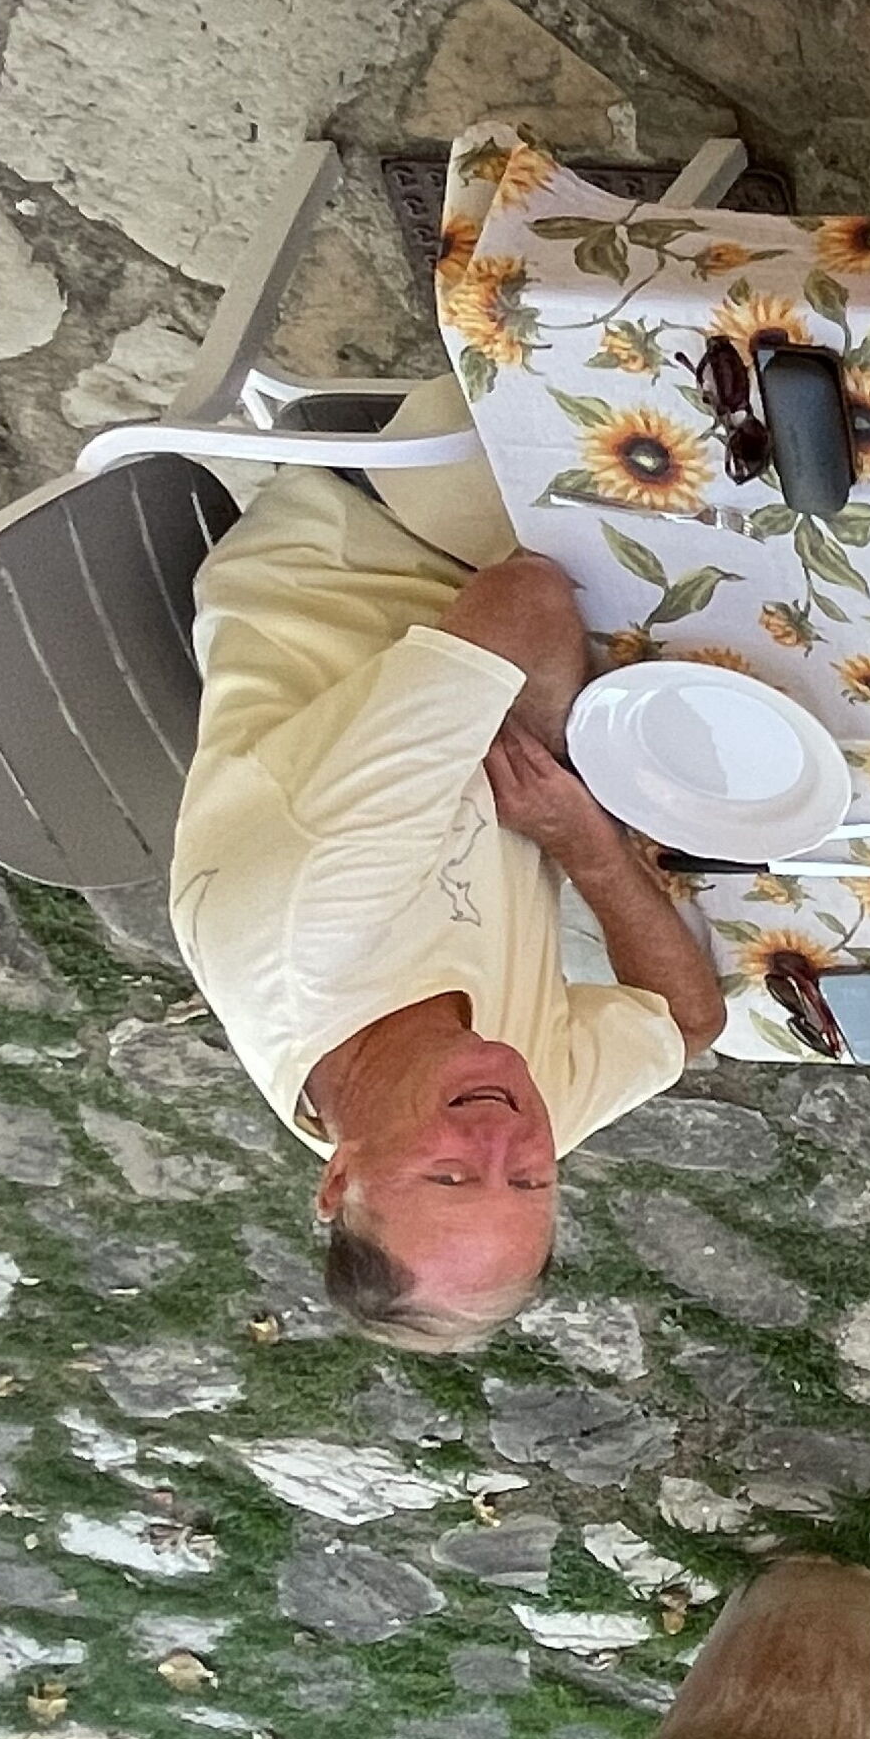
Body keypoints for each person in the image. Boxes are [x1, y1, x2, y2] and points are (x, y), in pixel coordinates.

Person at [168, 475, 723, 1351]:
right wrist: (581, 843)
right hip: (501, 629)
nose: (502, 1142)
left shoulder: (323, 918)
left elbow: (526, 601)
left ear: (338, 1178)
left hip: (374, 535)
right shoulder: (492, 1108)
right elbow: (686, 1022)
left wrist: (552, 763)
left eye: (452, 1176)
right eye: (533, 1182)